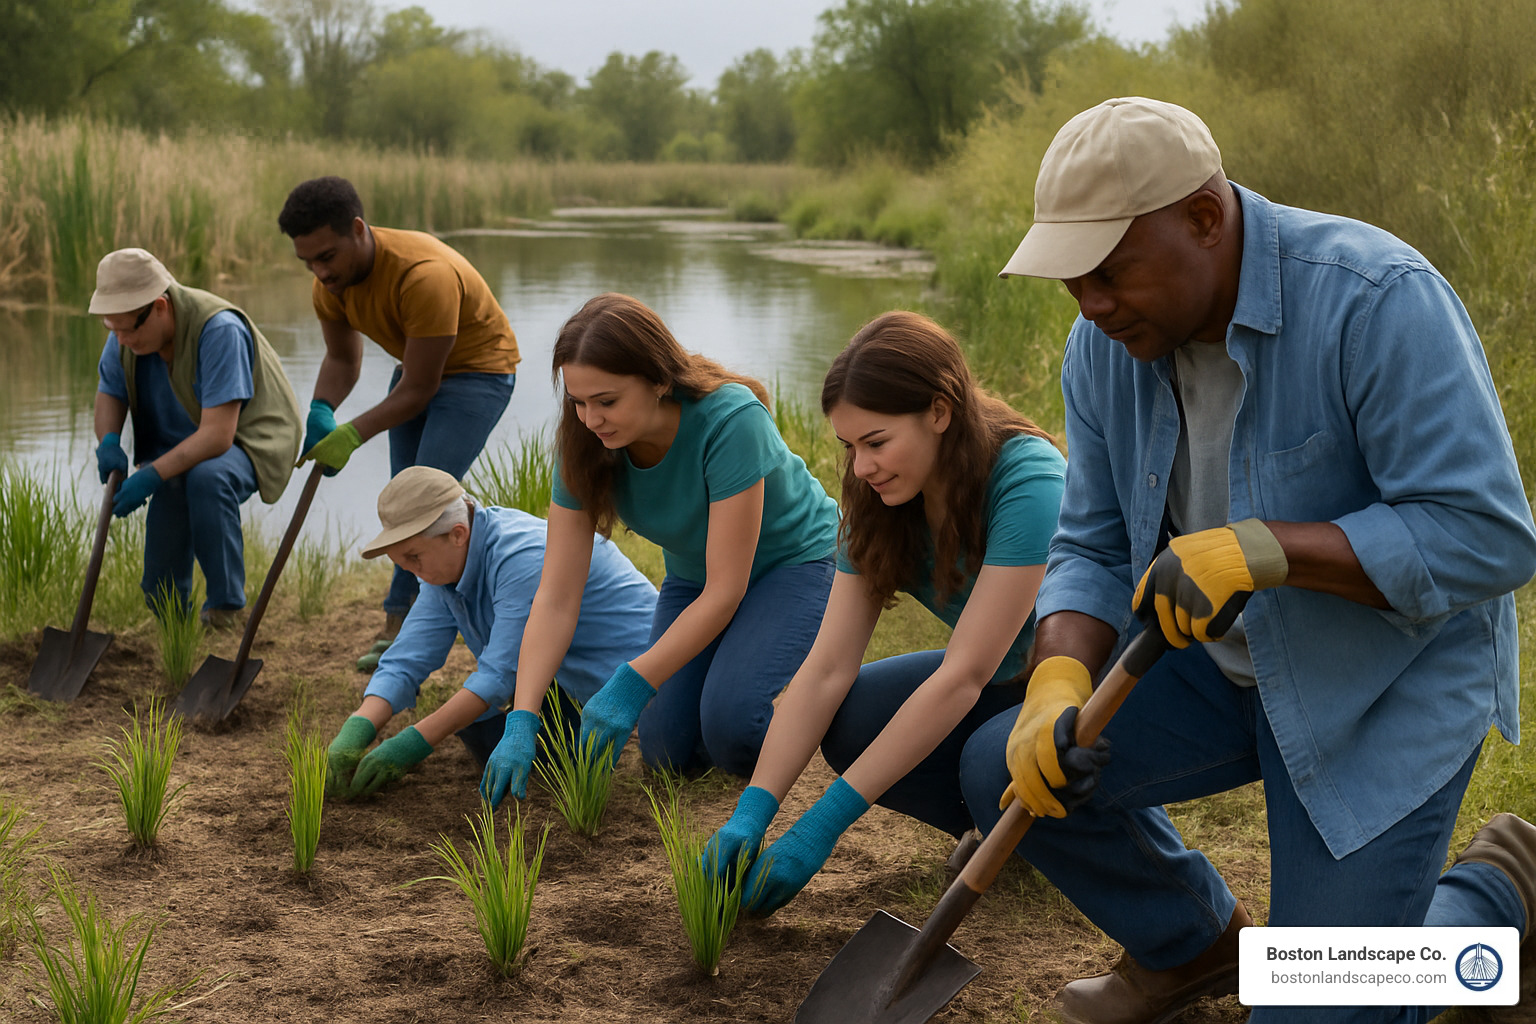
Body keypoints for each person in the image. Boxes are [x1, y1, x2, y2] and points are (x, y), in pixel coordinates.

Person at [958, 96, 1536, 1024]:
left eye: (1109, 271)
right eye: (1072, 281)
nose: (1091, 305)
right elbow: (1094, 540)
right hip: (1217, 670)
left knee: (1318, 1008)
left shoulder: (1377, 298)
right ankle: (1193, 947)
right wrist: (1057, 678)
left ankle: (1495, 898)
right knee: (1004, 766)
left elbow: (1488, 534)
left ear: (1203, 216)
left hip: (1381, 688)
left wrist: (1269, 550)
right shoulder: (1101, 347)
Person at [700, 311, 1070, 915]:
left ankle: (1050, 832)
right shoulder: (880, 498)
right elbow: (826, 668)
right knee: (853, 714)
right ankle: (1004, 831)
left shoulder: (1028, 480)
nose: (862, 466)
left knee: (985, 763)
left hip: (1088, 687)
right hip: (1011, 680)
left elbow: (963, 675)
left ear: (940, 412)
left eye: (876, 443)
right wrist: (752, 813)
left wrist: (821, 826)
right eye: (850, 447)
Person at [478, 293, 839, 803]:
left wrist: (631, 683)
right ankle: (735, 685)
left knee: (732, 728)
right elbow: (556, 598)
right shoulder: (585, 447)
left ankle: (816, 707)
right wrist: (522, 716)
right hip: (696, 577)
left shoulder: (730, 420)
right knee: (666, 749)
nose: (590, 419)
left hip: (795, 563)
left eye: (606, 401)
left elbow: (726, 589)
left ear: (659, 380)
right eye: (578, 402)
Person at [277, 176, 520, 670]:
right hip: (417, 370)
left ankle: (404, 623)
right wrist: (323, 408)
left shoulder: (422, 275)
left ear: (359, 230)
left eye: (326, 257)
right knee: (400, 497)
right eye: (307, 262)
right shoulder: (332, 286)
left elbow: (421, 389)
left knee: (426, 504)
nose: (319, 272)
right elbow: (343, 362)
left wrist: (352, 434)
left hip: (479, 373)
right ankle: (407, 618)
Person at [326, 466, 658, 800]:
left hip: (639, 685)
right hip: (566, 680)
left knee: (532, 752)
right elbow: (405, 660)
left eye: (414, 557)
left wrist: (412, 743)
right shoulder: (442, 571)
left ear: (457, 534)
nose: (414, 572)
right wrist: (358, 727)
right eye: (402, 563)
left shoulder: (521, 557)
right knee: (478, 728)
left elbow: (499, 675)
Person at [90, 248, 302, 627]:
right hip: (184, 441)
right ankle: (173, 620)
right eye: (112, 329)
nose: (120, 339)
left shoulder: (218, 330)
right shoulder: (127, 331)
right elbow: (111, 390)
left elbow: (218, 436)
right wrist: (108, 441)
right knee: (161, 573)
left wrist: (152, 474)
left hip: (249, 438)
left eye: (128, 329)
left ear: (159, 306)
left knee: (207, 479)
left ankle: (224, 609)